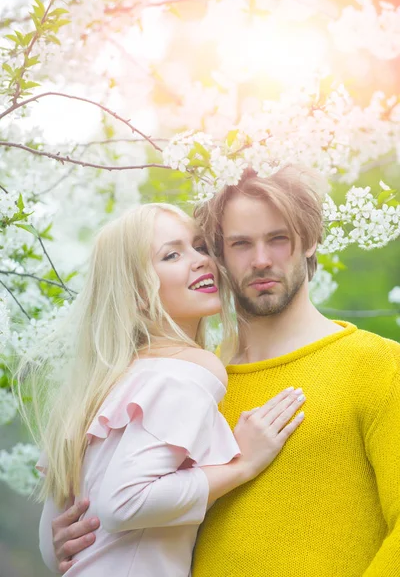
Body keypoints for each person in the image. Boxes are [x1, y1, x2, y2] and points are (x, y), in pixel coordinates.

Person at [52, 165, 400, 576]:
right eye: (240, 244)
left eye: (278, 239)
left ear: (308, 241)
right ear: (217, 256)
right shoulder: (185, 383)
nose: (261, 260)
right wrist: (79, 545)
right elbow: (144, 517)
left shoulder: (378, 365)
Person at [30, 202, 306, 576]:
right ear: (140, 292)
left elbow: (52, 550)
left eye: (200, 247)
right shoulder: (188, 368)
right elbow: (123, 503)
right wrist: (244, 465)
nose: (201, 260)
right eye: (172, 254)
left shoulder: (103, 387)